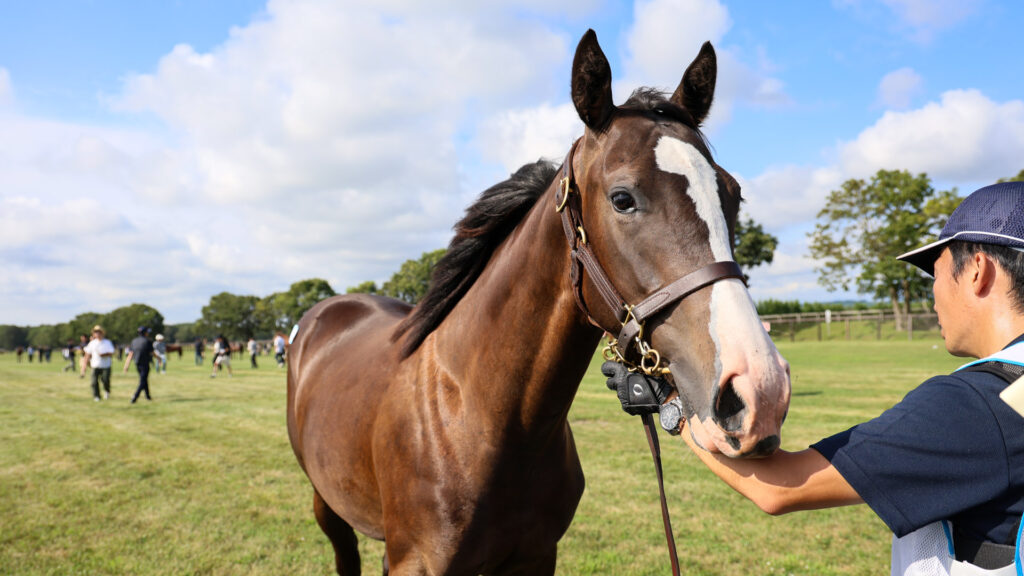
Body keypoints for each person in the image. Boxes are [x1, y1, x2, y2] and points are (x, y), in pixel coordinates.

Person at [678, 182, 1024, 576]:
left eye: (936, 272)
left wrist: (672, 404)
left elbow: (778, 486)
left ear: (978, 270)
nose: (933, 294)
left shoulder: (976, 406)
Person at [81, 325, 115, 401]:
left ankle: (106, 391)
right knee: (94, 382)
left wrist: (104, 355)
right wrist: (84, 367)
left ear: (102, 333)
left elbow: (111, 352)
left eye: (99, 332)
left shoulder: (107, 342)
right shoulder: (92, 343)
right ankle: (96, 396)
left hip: (105, 365)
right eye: (95, 332)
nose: (97, 333)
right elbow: (87, 355)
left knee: (105, 380)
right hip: (95, 365)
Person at [123, 326, 155, 403]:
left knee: (144, 379)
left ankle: (148, 396)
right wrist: (159, 358)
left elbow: (130, 354)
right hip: (145, 364)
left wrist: (126, 365)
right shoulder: (148, 341)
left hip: (137, 364)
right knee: (143, 381)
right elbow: (152, 353)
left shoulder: (134, 341)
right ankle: (135, 397)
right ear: (145, 333)